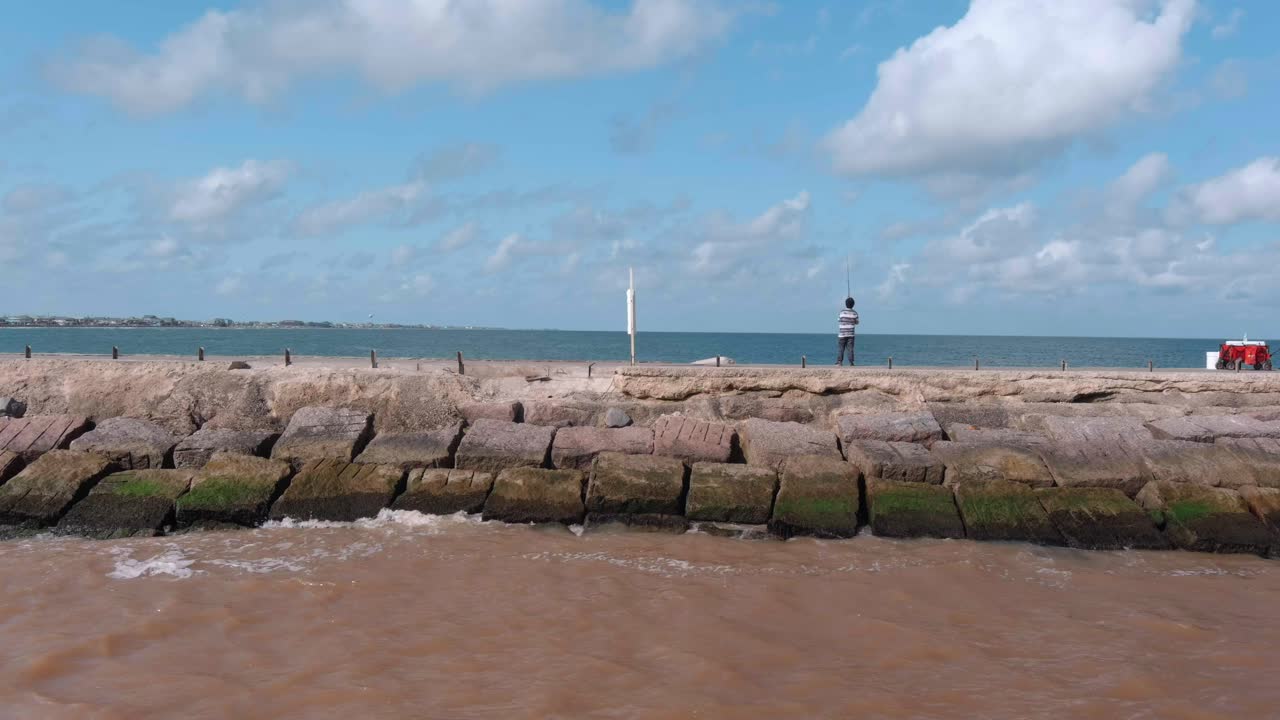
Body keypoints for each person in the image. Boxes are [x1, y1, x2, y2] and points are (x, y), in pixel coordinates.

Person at [836, 297, 859, 366]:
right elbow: (857, 322)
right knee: (850, 349)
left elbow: (838, 319)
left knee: (841, 348)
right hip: (851, 334)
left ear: (845, 304)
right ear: (853, 305)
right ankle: (851, 362)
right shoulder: (855, 313)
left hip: (842, 334)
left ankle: (839, 362)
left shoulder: (842, 312)